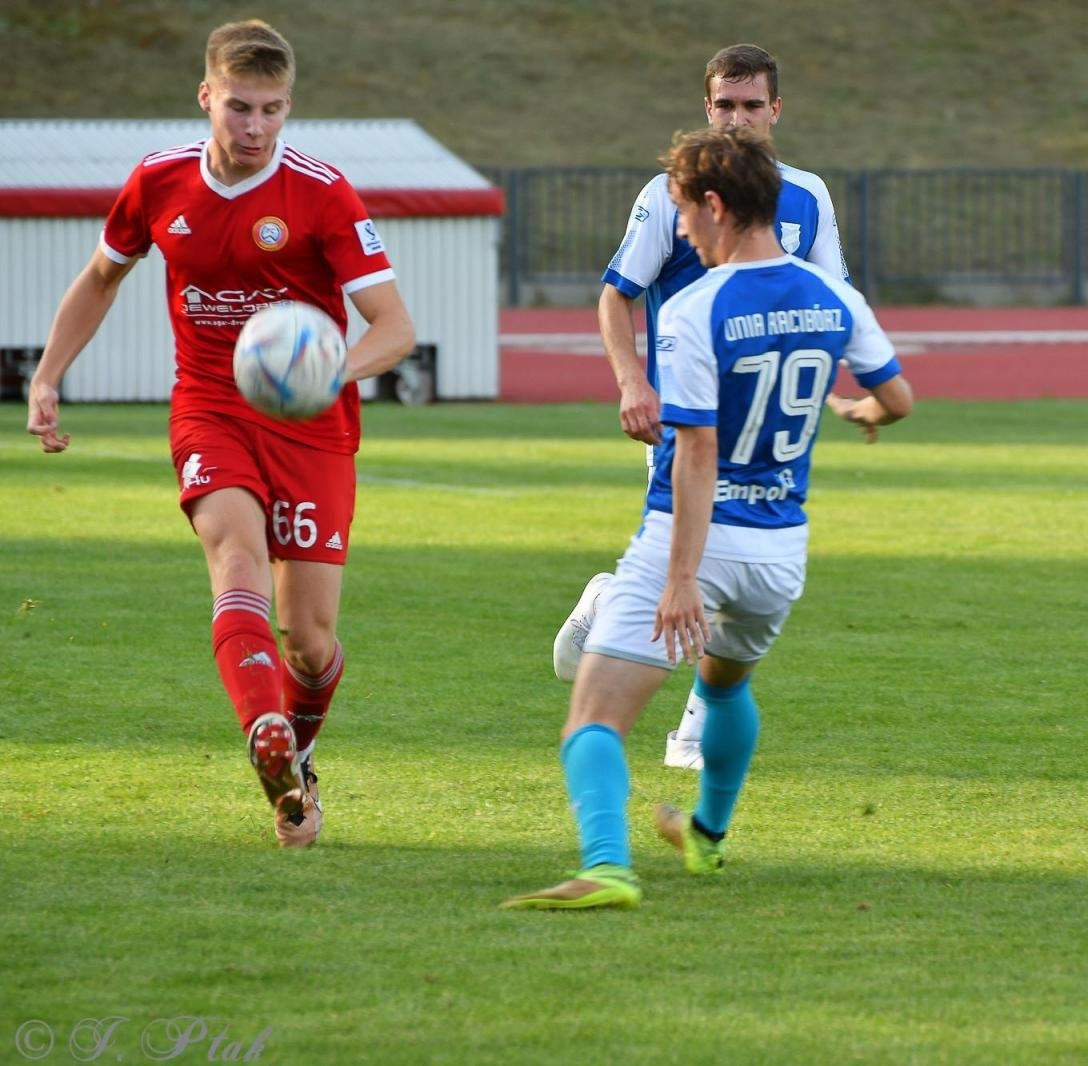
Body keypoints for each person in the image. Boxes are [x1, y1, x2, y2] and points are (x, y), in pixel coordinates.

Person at [26, 19, 416, 849]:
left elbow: (394, 327)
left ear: (288, 107)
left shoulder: (323, 193)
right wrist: (49, 374)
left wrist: (331, 370)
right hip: (210, 407)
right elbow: (101, 277)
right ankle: (263, 733)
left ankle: (296, 756)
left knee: (308, 642)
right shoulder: (160, 181)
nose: (256, 128)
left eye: (274, 110)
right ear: (206, 96)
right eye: (239, 107)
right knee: (233, 558)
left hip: (314, 426)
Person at [505, 125, 913, 911]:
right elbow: (898, 400)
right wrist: (858, 407)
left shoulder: (697, 307)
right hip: (782, 551)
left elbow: (697, 453)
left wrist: (681, 579)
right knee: (723, 689)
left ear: (717, 207)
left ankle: (606, 868)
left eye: (685, 213)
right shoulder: (835, 296)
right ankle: (707, 837)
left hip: (693, 541)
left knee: (591, 718)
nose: (681, 229)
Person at [553, 43, 854, 773]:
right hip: (688, 417)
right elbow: (616, 294)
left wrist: (845, 385)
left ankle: (622, 620)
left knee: (732, 562)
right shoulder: (670, 194)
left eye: (753, 105)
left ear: (776, 110)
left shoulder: (808, 197)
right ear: (707, 108)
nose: (740, 119)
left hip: (766, 429)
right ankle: (690, 724)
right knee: (702, 552)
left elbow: (835, 300)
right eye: (726, 105)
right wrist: (632, 382)